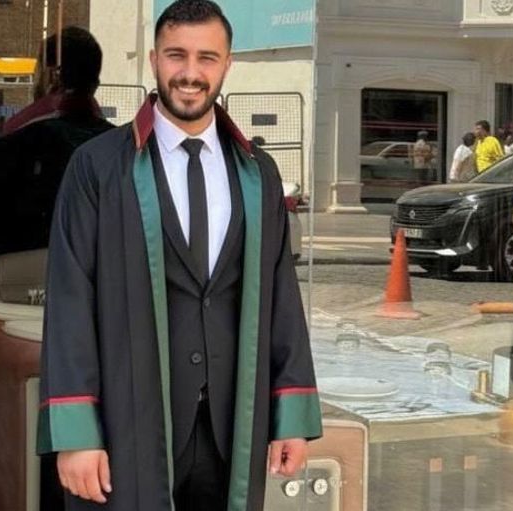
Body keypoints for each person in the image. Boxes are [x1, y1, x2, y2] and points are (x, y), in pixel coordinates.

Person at [38, 2, 322, 510]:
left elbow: (281, 296)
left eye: (206, 57)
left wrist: (291, 418)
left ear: (227, 64)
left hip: (231, 430)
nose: (190, 73)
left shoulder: (258, 173)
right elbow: (69, 302)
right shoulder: (98, 167)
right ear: (154, 60)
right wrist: (77, 433)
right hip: (128, 425)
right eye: (176, 55)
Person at [0, 27, 114, 260]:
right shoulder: (122, 152)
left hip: (20, 280)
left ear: (52, 76)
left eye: (36, 70)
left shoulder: (15, 149)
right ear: (95, 83)